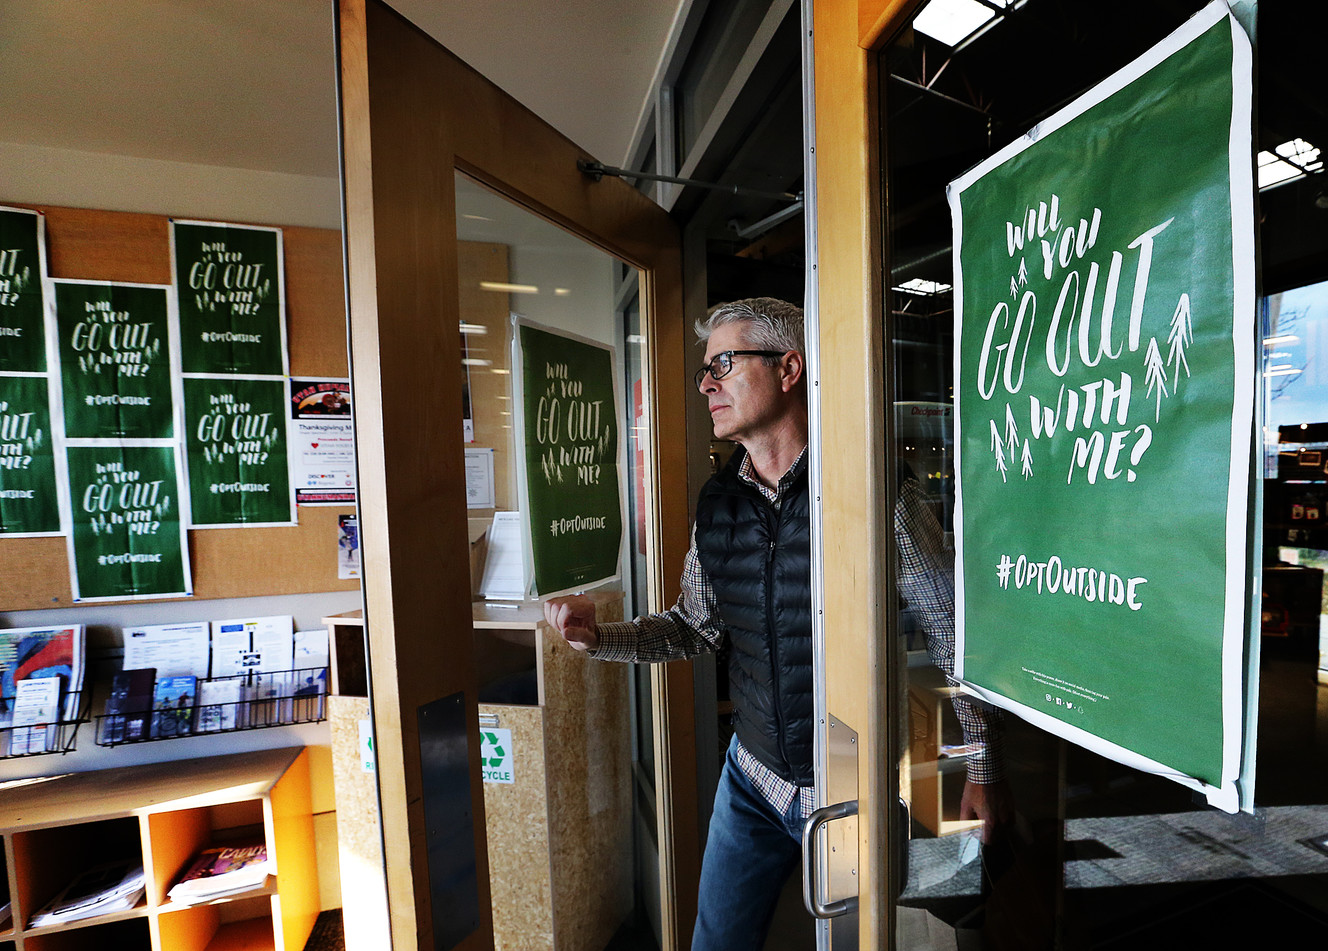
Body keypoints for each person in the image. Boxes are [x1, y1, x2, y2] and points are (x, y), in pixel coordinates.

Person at [543, 298, 1007, 950]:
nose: (706, 383)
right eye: (707, 369)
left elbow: (949, 627)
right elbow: (694, 626)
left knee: (856, 944)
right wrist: (600, 637)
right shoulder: (720, 503)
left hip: (852, 784)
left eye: (724, 364)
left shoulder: (874, 491)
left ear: (789, 368)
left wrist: (984, 768)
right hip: (751, 777)